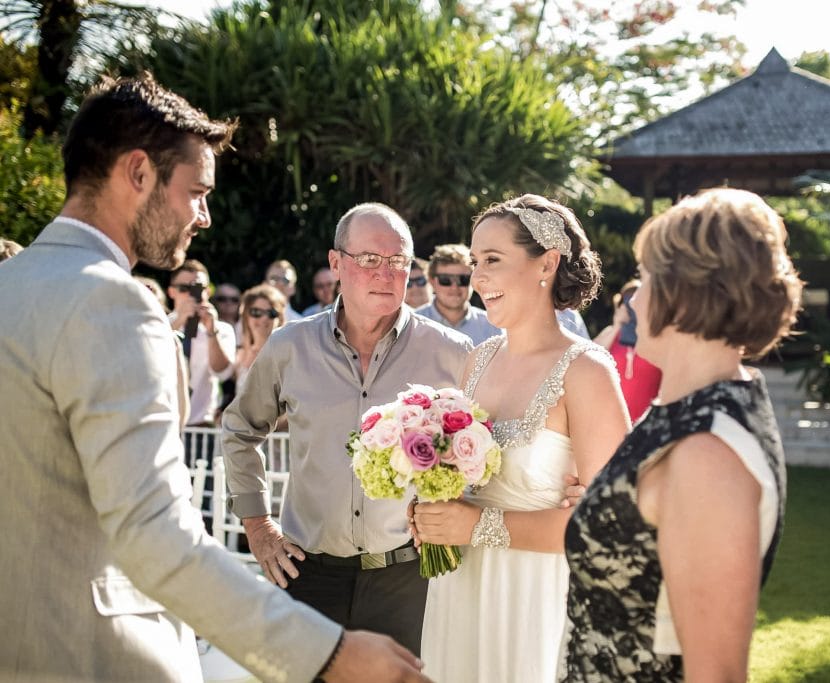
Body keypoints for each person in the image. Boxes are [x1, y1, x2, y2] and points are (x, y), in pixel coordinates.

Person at [0, 72, 427, 683]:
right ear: (139, 173)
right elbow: (155, 535)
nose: (204, 216)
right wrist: (326, 653)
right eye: (197, 191)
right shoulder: (113, 306)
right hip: (87, 656)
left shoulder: (9, 285)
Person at [559, 188, 801, 681]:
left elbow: (717, 673)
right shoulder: (693, 406)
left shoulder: (707, 454)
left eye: (645, 280)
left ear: (687, 291)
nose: (631, 301)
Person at [221, 202, 474, 656]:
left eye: (398, 262)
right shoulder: (289, 346)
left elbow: (485, 448)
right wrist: (257, 527)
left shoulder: (453, 353)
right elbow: (240, 428)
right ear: (336, 263)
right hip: (307, 575)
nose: (385, 273)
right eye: (370, 260)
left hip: (411, 578)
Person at [412, 194, 630, 683]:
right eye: (474, 262)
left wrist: (475, 526)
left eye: (492, 260)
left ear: (546, 264)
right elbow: (464, 485)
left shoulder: (586, 370)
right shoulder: (478, 360)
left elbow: (610, 525)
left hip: (538, 598)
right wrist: (432, 506)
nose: (477, 277)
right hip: (461, 590)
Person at [167, 259, 237, 428]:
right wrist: (179, 321)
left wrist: (212, 331)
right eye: (185, 289)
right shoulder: (161, 324)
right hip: (165, 420)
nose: (192, 295)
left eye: (199, 289)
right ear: (171, 292)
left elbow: (223, 373)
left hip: (201, 424)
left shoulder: (221, 329)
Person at [594, 278, 662, 422]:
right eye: (627, 303)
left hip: (644, 422)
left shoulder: (657, 339)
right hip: (609, 420)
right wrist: (617, 326)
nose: (632, 308)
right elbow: (591, 359)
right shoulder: (610, 334)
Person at [416, 242, 500, 344]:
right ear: (432, 281)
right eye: (445, 280)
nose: (454, 287)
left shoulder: (493, 327)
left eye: (463, 279)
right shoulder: (413, 325)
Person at [234, 283, 287, 389]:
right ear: (246, 316)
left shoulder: (288, 355)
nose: (264, 318)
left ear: (280, 318)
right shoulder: (239, 354)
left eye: (271, 313)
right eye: (256, 312)